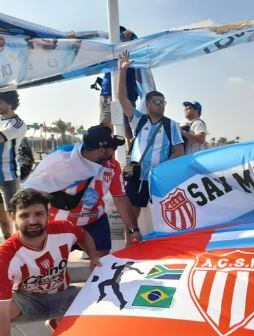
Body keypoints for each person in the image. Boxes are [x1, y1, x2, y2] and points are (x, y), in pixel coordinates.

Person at [0, 189, 101, 336]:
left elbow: (82, 235)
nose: (32, 221)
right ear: (13, 217)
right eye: (24, 215)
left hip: (63, 294)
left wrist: (93, 256)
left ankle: (59, 321)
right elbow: (2, 315)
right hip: (27, 301)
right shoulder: (5, 255)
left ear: (48, 215)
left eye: (39, 214)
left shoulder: (65, 228)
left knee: (104, 299)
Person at [23, 125, 142, 254]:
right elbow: (29, 191)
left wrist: (134, 229)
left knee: (101, 263)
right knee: (54, 264)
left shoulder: (113, 166)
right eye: (113, 147)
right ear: (101, 150)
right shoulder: (60, 159)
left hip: (94, 220)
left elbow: (120, 198)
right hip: (60, 222)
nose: (115, 150)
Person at [117, 50, 184, 229]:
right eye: (156, 102)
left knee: (167, 211)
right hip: (137, 176)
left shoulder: (172, 125)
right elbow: (122, 98)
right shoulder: (138, 120)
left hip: (160, 178)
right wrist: (123, 71)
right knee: (132, 216)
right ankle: (130, 244)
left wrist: (164, 167)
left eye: (163, 102)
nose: (160, 105)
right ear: (147, 104)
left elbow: (179, 151)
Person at [99, 26, 138, 141]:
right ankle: (108, 155)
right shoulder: (106, 49)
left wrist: (120, 36)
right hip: (108, 91)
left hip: (128, 93)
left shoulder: (131, 42)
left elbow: (128, 34)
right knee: (106, 128)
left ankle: (131, 153)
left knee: (129, 126)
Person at [0, 90, 27, 239]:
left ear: (10, 103)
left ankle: (22, 248)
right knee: (3, 219)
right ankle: (8, 247)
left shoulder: (18, 124)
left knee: (15, 216)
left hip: (8, 176)